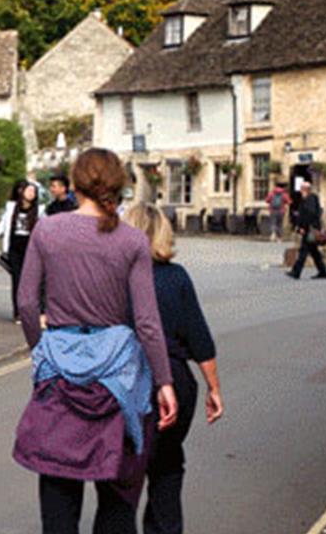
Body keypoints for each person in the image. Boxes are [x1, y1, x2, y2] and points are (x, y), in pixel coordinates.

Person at [14, 148, 177, 534]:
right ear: (117, 186)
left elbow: (24, 301)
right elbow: (147, 321)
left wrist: (42, 350)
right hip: (118, 379)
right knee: (119, 495)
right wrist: (164, 381)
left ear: (74, 184)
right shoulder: (133, 241)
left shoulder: (47, 230)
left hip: (59, 372)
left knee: (58, 489)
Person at [123, 205, 224, 534]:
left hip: (124, 380)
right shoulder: (176, 277)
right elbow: (200, 339)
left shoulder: (116, 277)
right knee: (166, 466)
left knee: (124, 472)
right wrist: (214, 389)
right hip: (175, 381)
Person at [0, 180, 42, 323]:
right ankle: (18, 313)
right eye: (29, 190)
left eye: (34, 192)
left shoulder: (39, 211)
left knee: (31, 282)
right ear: (22, 192)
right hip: (15, 249)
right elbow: (2, 226)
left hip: (31, 250)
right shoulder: (12, 208)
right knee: (17, 280)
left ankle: (31, 311)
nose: (31, 193)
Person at [287, 180, 326, 280]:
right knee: (314, 252)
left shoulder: (309, 199)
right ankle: (322, 272)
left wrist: (303, 227)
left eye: (301, 189)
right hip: (312, 228)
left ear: (305, 190)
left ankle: (296, 272)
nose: (300, 191)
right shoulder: (311, 198)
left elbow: (309, 214)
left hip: (309, 230)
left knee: (303, 251)